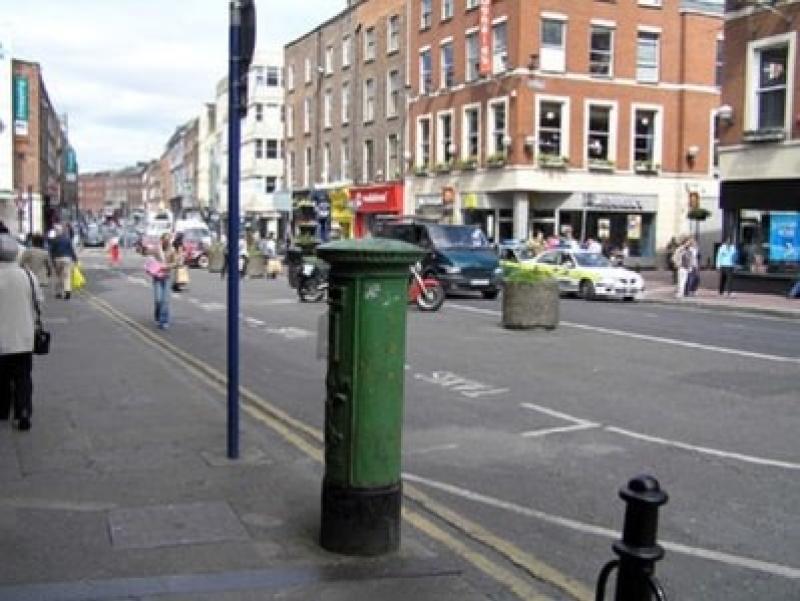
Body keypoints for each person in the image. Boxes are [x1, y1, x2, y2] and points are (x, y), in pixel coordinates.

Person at [0, 233, 42, 431]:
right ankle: (23, 411)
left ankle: (2, 410)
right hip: (23, 336)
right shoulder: (27, 275)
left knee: (2, 378)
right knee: (23, 376)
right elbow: (38, 301)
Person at [151, 233, 178, 329]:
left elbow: (175, 263)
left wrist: (167, 266)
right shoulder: (157, 249)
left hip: (167, 277)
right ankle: (158, 316)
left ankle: (164, 321)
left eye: (168, 240)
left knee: (165, 301)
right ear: (161, 240)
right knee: (158, 300)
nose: (166, 242)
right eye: (164, 240)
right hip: (157, 277)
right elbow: (150, 258)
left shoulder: (172, 250)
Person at [49, 224, 78, 300]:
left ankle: (58, 293)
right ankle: (67, 291)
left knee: (58, 276)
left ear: (56, 232)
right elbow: (71, 250)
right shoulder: (67, 239)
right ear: (62, 231)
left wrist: (52, 260)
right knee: (67, 276)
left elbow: (51, 251)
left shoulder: (54, 240)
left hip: (57, 259)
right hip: (67, 259)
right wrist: (75, 259)